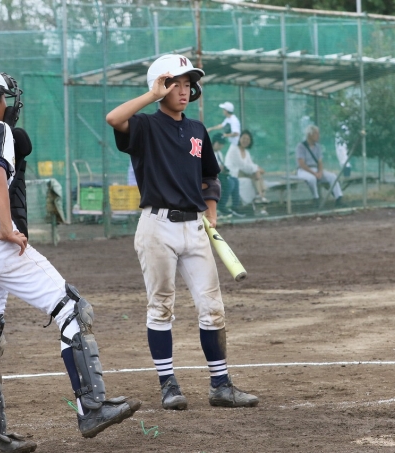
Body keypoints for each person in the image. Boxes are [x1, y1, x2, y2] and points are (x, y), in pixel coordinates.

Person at [0, 67, 140, 452]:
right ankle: (91, 407)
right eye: (2, 97)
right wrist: (6, 227)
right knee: (72, 309)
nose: (6, 104)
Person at [105, 54, 259, 411]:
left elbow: (210, 175)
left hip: (195, 226)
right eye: (176, 83)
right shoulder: (144, 125)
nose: (184, 90)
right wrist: (151, 95)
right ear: (160, 86)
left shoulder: (197, 130)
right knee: (161, 306)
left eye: (188, 84)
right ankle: (168, 385)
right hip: (157, 227)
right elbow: (114, 118)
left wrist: (212, 209)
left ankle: (221, 386)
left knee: (213, 307)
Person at [295, 124, 343, 207]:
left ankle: (338, 198)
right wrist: (314, 173)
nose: (318, 136)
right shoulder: (301, 146)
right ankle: (316, 198)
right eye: (316, 133)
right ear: (309, 135)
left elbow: (320, 162)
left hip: (316, 169)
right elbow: (302, 164)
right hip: (304, 170)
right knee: (312, 178)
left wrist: (320, 172)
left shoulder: (318, 147)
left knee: (332, 176)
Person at [224, 130, 269, 206]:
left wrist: (257, 168)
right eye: (244, 138)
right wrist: (257, 168)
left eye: (248, 139)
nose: (245, 141)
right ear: (239, 138)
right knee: (256, 173)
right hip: (232, 173)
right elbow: (242, 165)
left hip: (242, 172)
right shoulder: (234, 148)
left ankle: (260, 197)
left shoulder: (246, 152)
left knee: (257, 175)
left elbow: (250, 164)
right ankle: (260, 196)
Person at [211, 133, 243, 218]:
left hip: (220, 175)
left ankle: (235, 207)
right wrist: (218, 168)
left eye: (222, 144)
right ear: (214, 142)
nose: (220, 146)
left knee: (235, 180)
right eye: (219, 143)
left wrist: (224, 169)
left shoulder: (219, 153)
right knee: (229, 183)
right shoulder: (208, 152)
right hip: (211, 176)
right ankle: (221, 206)